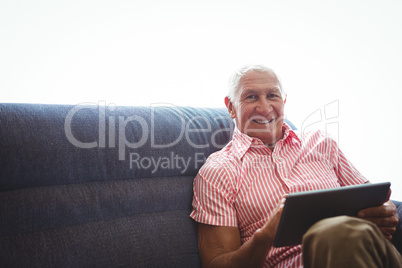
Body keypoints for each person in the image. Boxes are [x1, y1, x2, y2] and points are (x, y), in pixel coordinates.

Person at [190, 65, 401, 268]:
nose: (264, 108)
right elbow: (216, 263)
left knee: (342, 233)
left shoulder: (320, 143)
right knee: (333, 233)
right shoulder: (217, 172)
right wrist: (267, 233)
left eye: (272, 95)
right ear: (230, 107)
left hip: (368, 252)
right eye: (251, 97)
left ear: (284, 100)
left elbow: (379, 201)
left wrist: (385, 211)